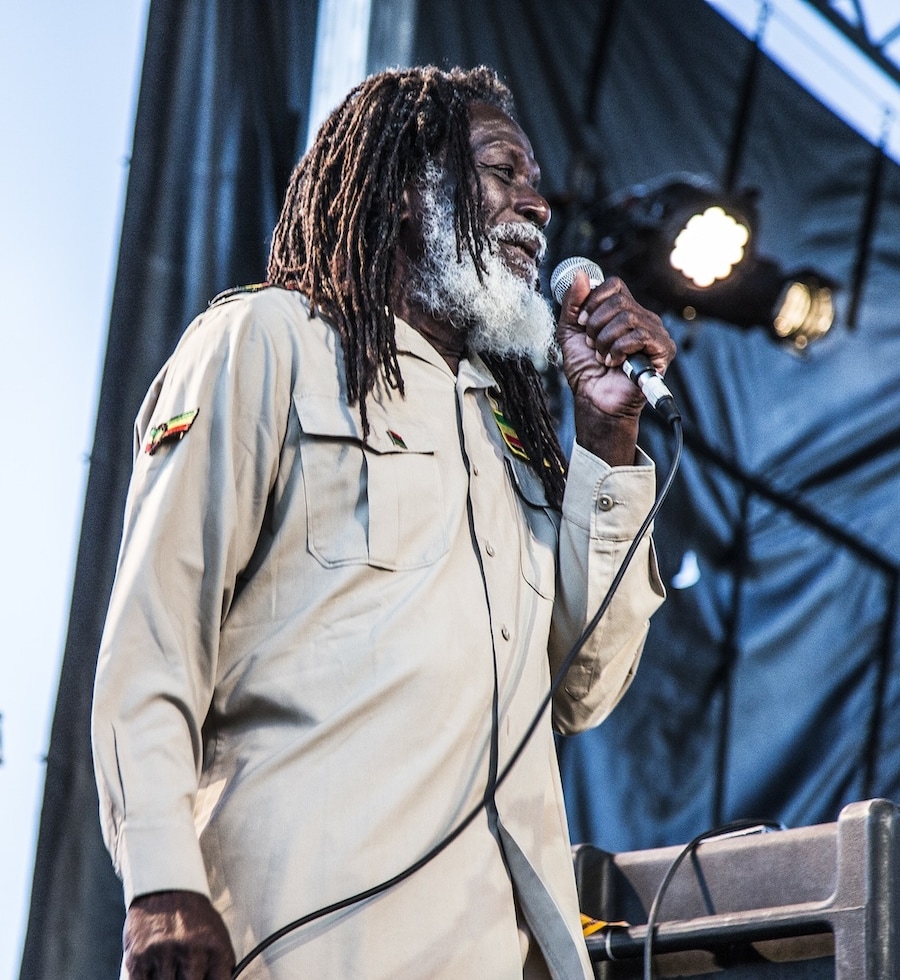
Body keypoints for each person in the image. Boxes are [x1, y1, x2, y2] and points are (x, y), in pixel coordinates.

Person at [91, 65, 674, 980]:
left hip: (499, 950)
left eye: (535, 183)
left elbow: (583, 688)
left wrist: (607, 437)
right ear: (406, 190)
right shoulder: (268, 342)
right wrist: (161, 884)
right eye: (503, 172)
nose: (538, 205)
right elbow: (155, 638)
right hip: (300, 933)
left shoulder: (514, 432)